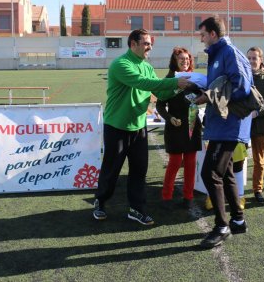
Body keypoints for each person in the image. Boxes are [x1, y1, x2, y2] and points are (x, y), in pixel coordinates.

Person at [92, 29, 190, 225]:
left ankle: (136, 209)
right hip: (116, 126)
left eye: (150, 43)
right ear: (133, 44)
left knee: (139, 171)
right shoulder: (121, 64)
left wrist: (178, 88)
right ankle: (101, 201)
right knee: (111, 170)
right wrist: (174, 81)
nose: (150, 46)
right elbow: (143, 83)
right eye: (145, 43)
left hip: (138, 127)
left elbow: (159, 94)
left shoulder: (147, 66)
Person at [193, 16, 252, 248]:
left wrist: (211, 95)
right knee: (225, 174)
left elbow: (242, 86)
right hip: (220, 124)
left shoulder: (229, 52)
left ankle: (221, 225)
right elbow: (222, 86)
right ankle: (237, 220)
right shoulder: (217, 54)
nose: (201, 38)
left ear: (214, 34)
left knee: (210, 174)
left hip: (230, 125)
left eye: (203, 34)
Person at [156, 47, 202, 209]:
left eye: (187, 59)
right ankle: (166, 197)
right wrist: (169, 118)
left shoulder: (195, 79)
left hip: (192, 125)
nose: (185, 61)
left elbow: (203, 97)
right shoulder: (169, 79)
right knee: (175, 162)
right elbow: (160, 105)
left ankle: (188, 197)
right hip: (174, 127)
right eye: (181, 59)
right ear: (174, 61)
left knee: (190, 163)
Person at [246, 46, 264, 204]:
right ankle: (236, 188)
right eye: (249, 58)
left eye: (254, 58)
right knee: (236, 158)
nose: (251, 61)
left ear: (261, 59)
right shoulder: (241, 76)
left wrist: (258, 113)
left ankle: (258, 189)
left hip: (260, 125)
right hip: (241, 124)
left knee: (259, 160)